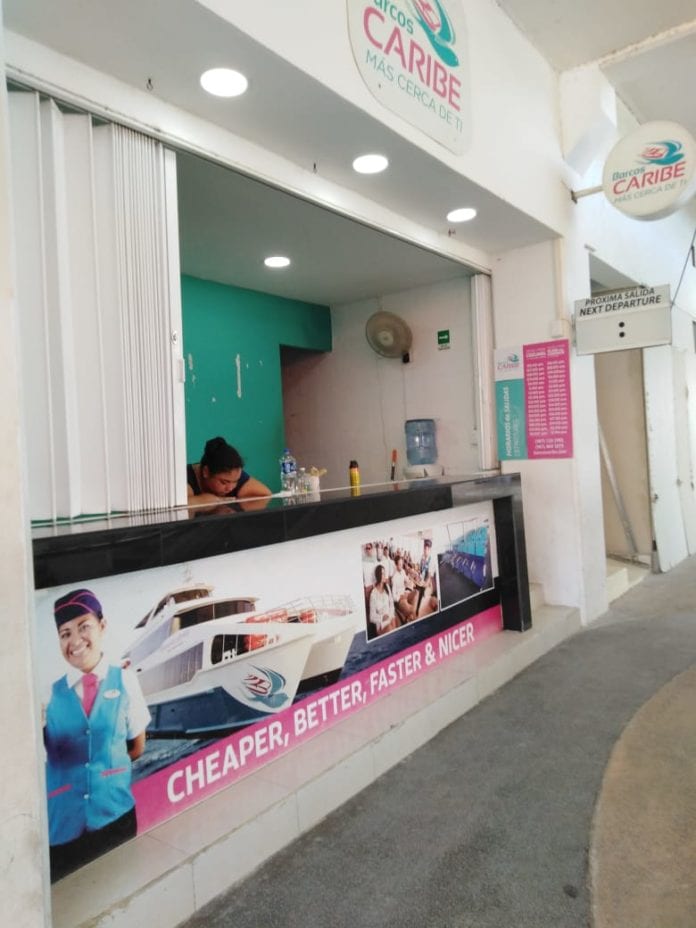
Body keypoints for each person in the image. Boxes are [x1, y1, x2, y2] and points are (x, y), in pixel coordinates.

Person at [44, 589, 151, 881]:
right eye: (65, 634)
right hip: (62, 832)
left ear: (102, 626)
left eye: (84, 627)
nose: (75, 641)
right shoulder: (46, 697)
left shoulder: (126, 680)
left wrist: (107, 772)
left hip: (116, 817)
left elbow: (137, 747)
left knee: (124, 885)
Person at [187, 436, 271, 505]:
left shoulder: (232, 475)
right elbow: (185, 506)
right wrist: (209, 500)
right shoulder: (185, 479)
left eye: (236, 481)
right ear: (206, 472)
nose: (230, 488)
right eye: (224, 482)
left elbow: (265, 495)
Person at [368, 564, 397, 637]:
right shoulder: (373, 594)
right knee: (390, 629)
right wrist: (382, 617)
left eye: (385, 573)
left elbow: (392, 605)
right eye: (382, 574)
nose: (384, 576)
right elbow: (371, 617)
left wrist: (391, 616)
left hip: (390, 617)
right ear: (378, 576)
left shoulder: (387, 587)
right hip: (381, 623)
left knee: (393, 629)